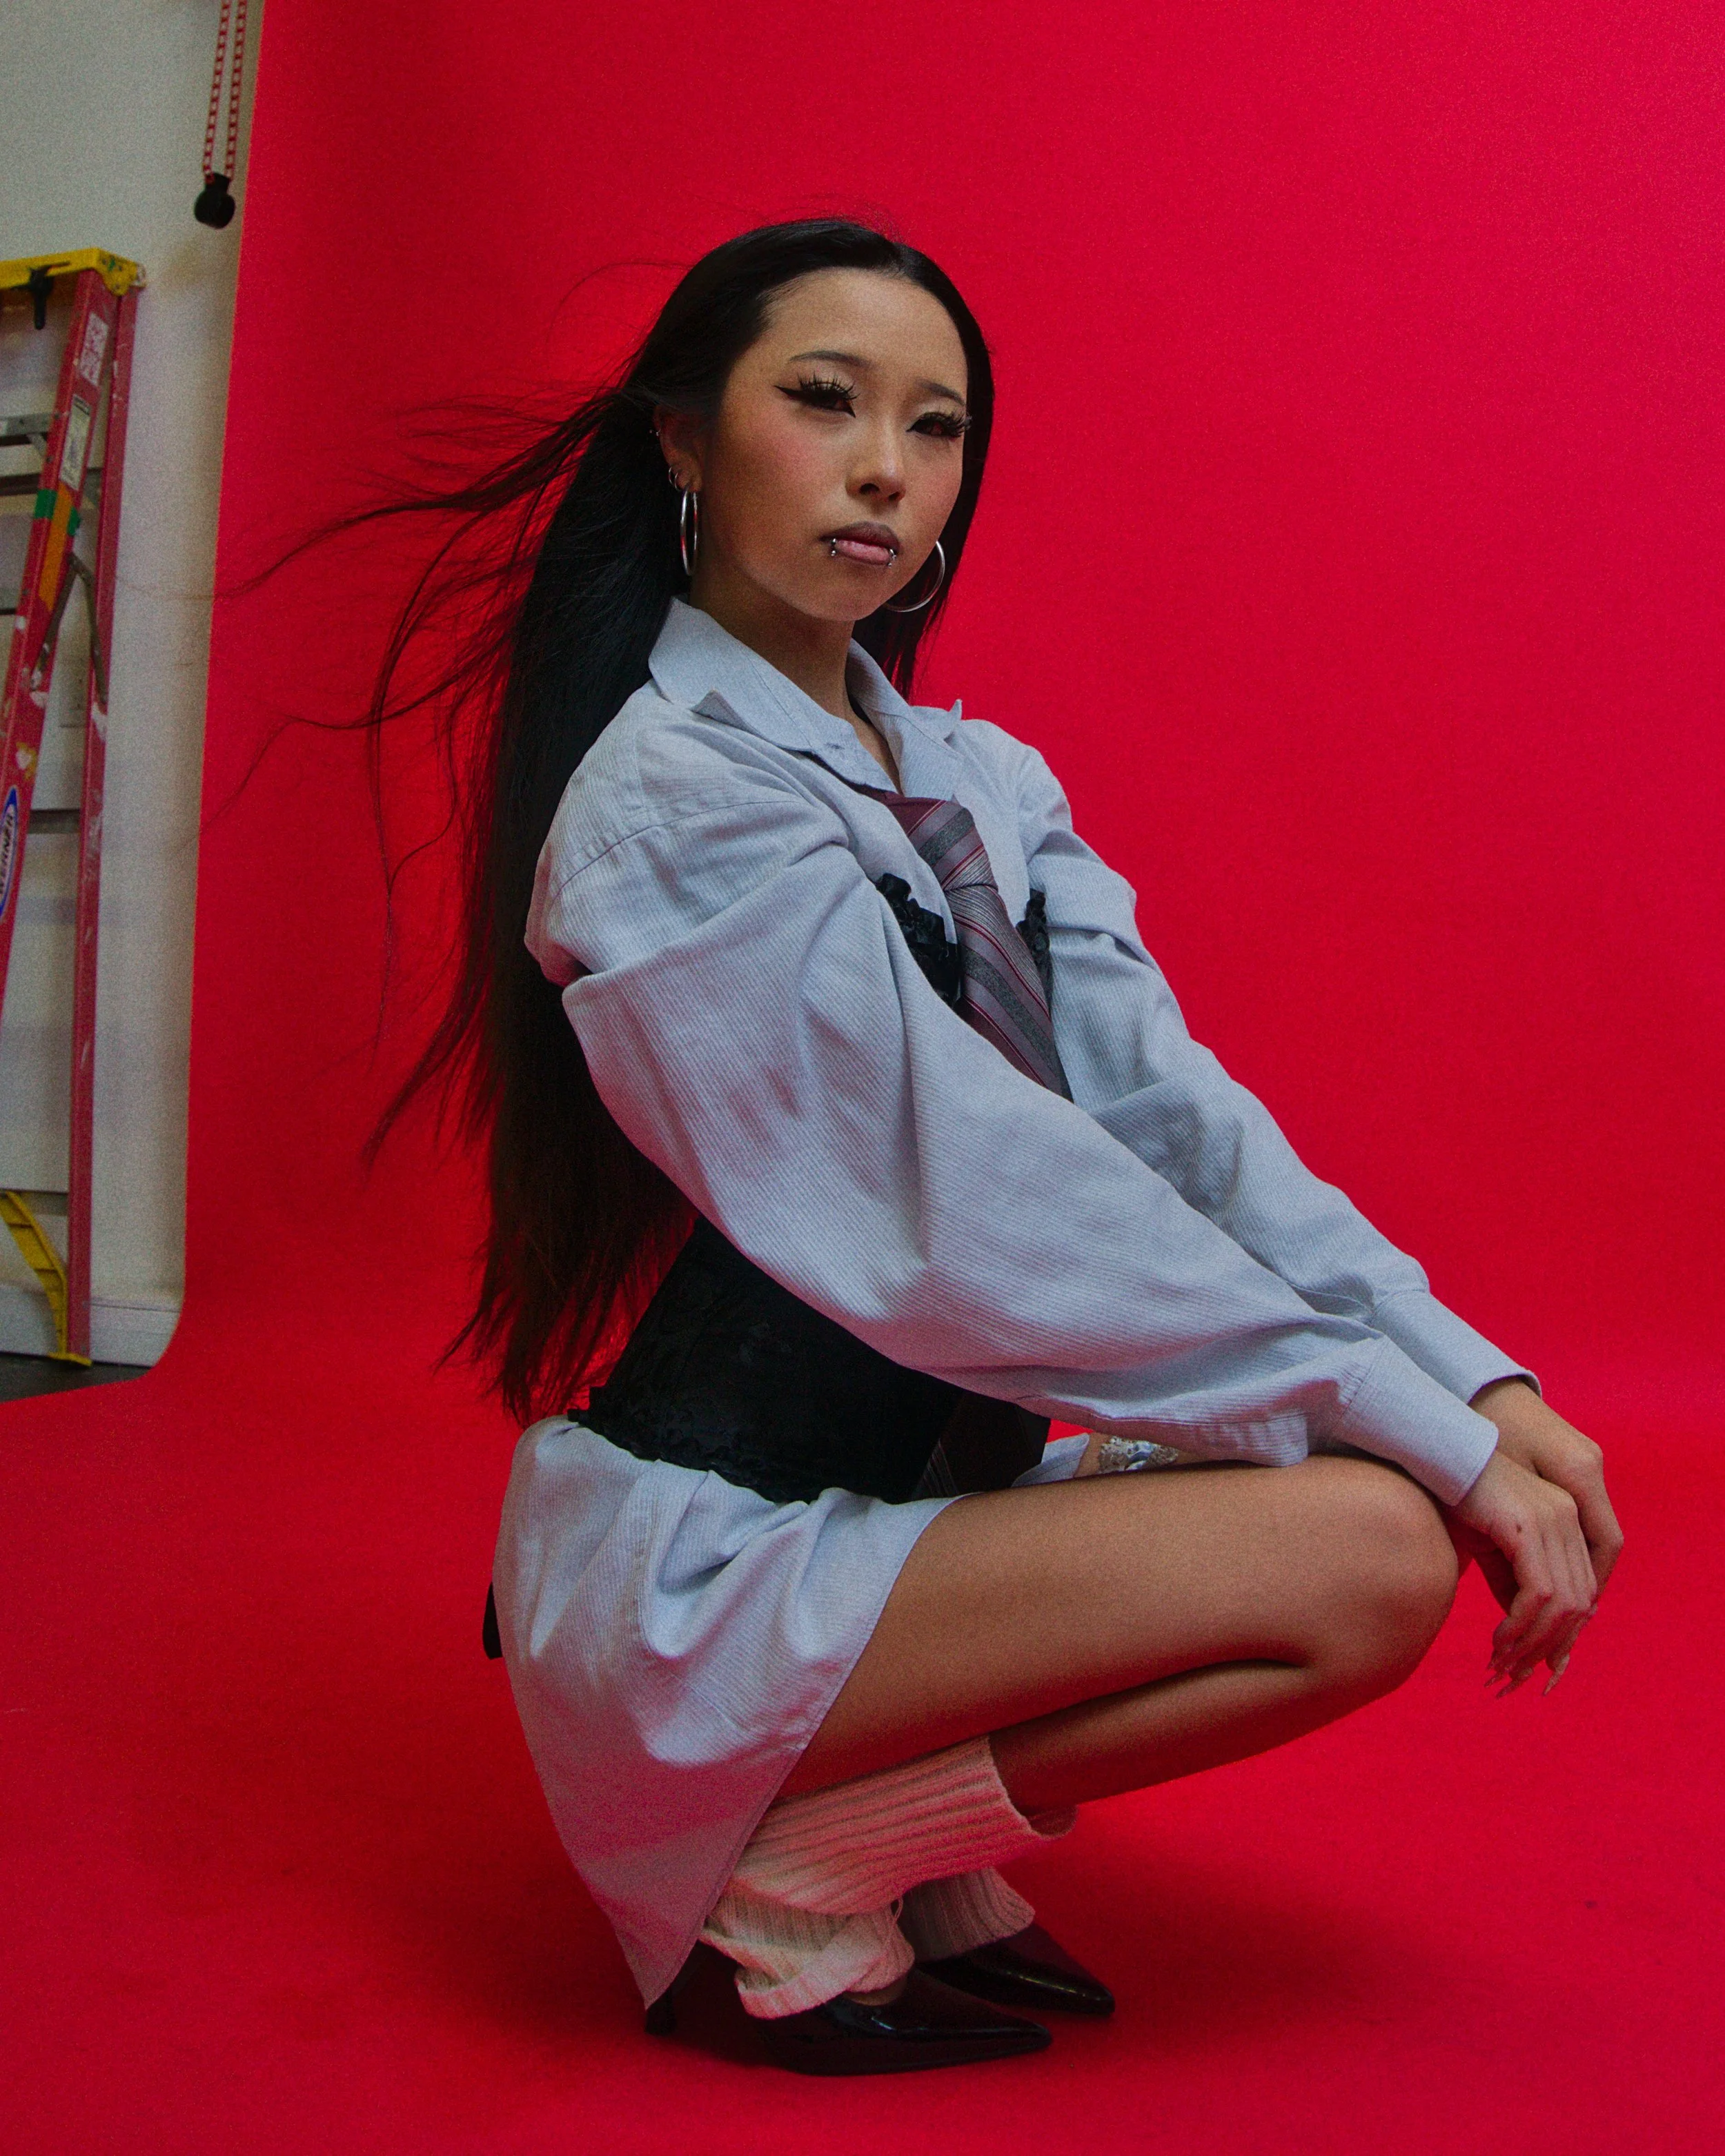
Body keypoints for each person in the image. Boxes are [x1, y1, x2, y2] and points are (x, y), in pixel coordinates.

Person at [369, 220, 1621, 2075]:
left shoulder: (978, 780)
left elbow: (1173, 1120)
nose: (887, 466)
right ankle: (792, 1869)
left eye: (936, 423)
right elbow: (965, 1203)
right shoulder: (668, 806)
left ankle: (886, 1831)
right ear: (683, 437)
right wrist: (1422, 1438)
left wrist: (1477, 1380)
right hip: (728, 1568)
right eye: (825, 400)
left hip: (906, 1512)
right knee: (1372, 1553)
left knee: (1387, 1484)